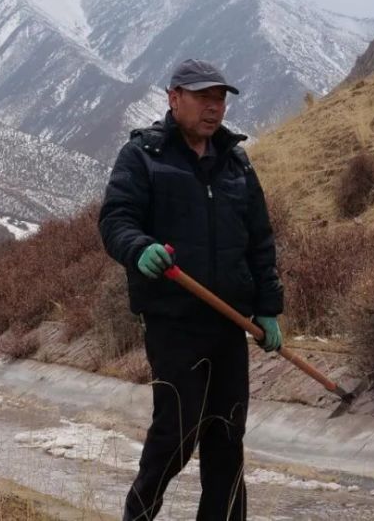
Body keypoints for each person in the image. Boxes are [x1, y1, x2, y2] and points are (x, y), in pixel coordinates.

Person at [99, 59, 284, 521]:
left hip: (229, 323)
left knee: (226, 437)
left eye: (219, 98)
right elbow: (116, 219)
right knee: (176, 434)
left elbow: (259, 240)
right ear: (174, 98)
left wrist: (268, 308)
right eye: (203, 97)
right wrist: (138, 248)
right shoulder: (144, 156)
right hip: (174, 322)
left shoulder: (236, 163)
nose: (213, 108)